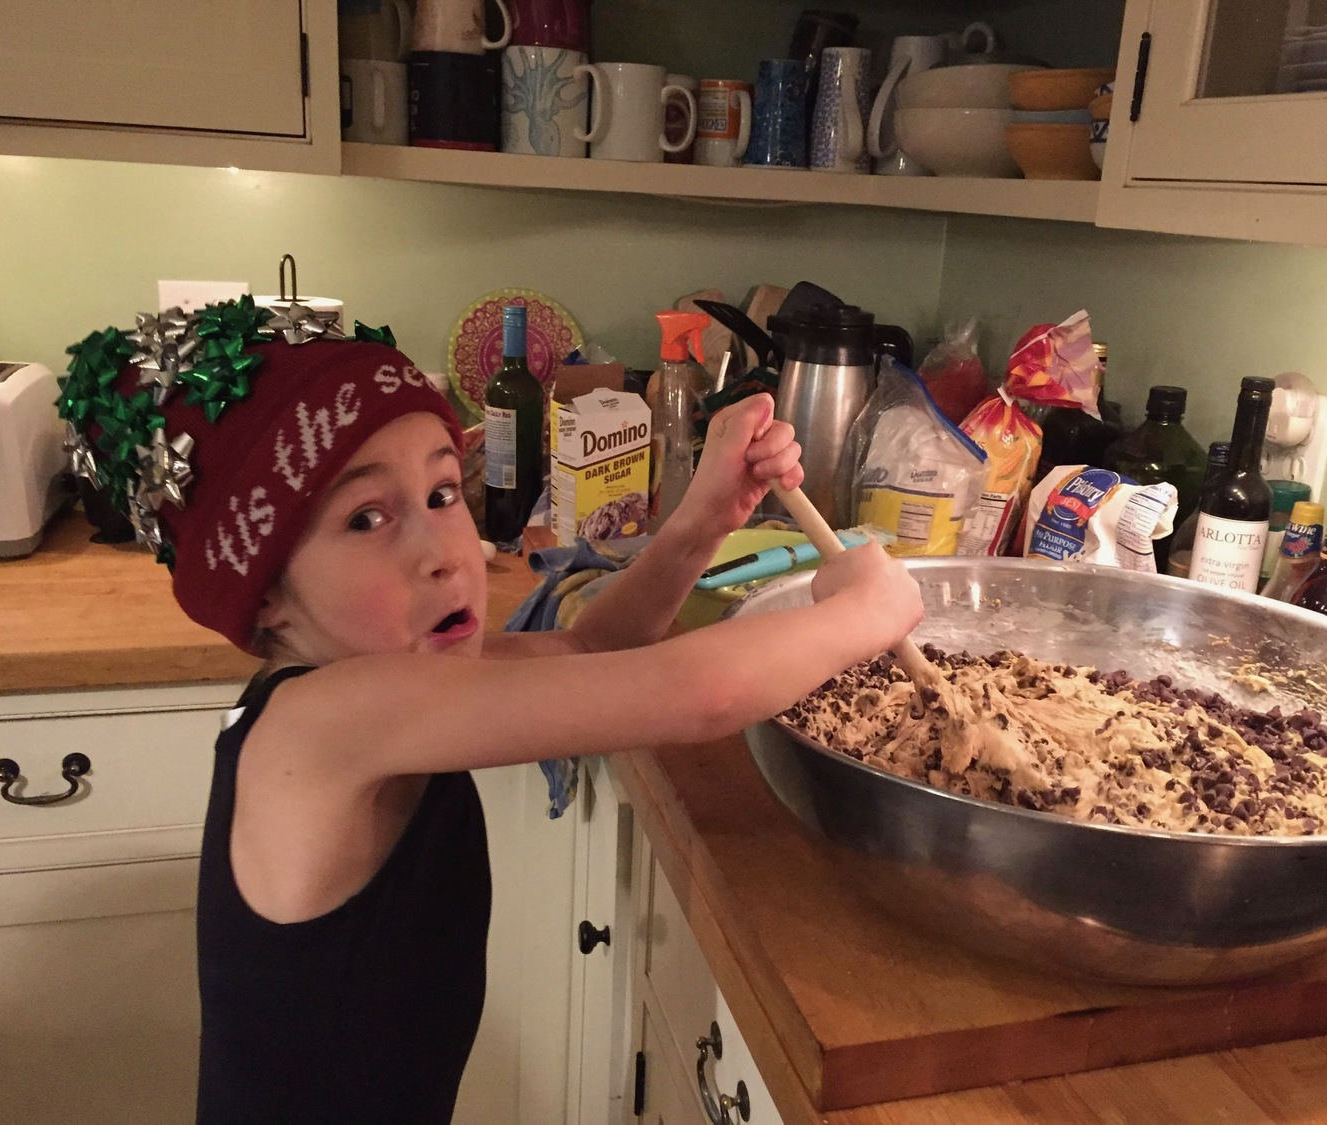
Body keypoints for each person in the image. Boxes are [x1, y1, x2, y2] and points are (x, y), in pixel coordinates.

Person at [58, 302, 923, 1124]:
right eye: (367, 517)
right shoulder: (331, 718)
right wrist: (858, 616)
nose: (441, 551)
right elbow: (696, 693)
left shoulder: (392, 680)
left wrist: (702, 519)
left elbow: (590, 653)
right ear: (268, 598)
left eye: (441, 494)